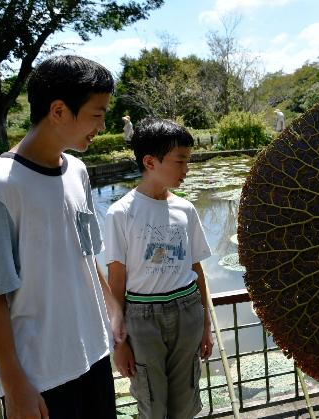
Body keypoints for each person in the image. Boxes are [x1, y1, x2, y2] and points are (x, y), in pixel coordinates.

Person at [0, 55, 125, 419]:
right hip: (42, 377)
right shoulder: (0, 186)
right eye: (96, 114)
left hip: (95, 354)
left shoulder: (78, 171)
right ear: (58, 111)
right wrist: (15, 387)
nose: (102, 125)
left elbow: (87, 253)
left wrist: (114, 310)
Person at [105, 116, 214, 418]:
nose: (186, 170)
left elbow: (196, 269)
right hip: (142, 319)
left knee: (185, 403)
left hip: (187, 311)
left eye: (188, 161)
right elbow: (116, 282)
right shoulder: (121, 213)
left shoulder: (186, 209)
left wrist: (205, 324)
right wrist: (119, 343)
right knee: (152, 406)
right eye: (180, 161)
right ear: (150, 162)